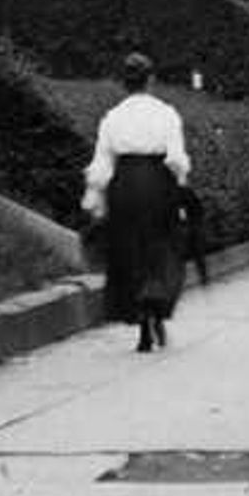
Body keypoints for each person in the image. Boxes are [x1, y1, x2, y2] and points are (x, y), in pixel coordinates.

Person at [83, 54, 194, 351]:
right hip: (158, 182)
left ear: (124, 83)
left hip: (124, 184)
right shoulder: (166, 113)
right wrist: (181, 190)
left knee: (130, 250)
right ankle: (156, 304)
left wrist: (95, 199)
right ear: (151, 80)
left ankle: (141, 322)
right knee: (162, 246)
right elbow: (176, 158)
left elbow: (102, 162)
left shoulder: (112, 117)